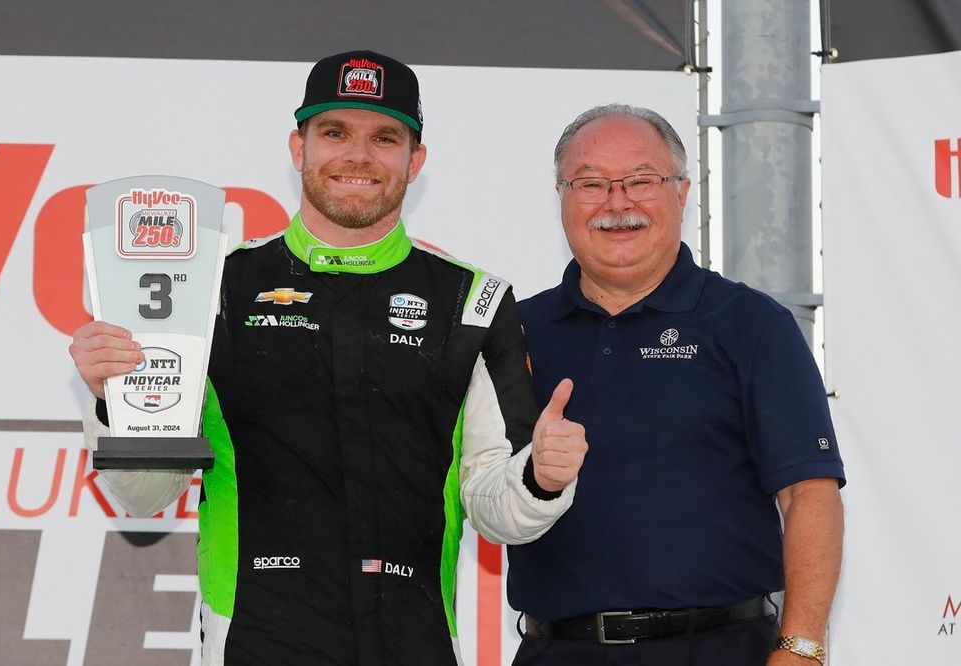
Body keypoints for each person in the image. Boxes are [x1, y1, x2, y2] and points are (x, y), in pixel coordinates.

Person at [69, 50, 587, 666]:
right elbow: (148, 494)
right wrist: (112, 401)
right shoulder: (212, 289)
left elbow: (496, 506)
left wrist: (543, 479)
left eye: (385, 137)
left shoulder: (471, 302)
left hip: (413, 637)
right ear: (298, 147)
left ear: (415, 160)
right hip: (254, 636)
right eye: (335, 132)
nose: (359, 156)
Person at [506, 104, 845, 666]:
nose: (618, 203)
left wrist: (802, 648)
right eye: (590, 183)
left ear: (682, 193)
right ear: (562, 197)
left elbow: (809, 493)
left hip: (720, 650)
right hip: (556, 652)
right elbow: (481, 484)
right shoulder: (517, 332)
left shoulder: (750, 324)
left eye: (642, 181)